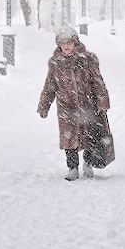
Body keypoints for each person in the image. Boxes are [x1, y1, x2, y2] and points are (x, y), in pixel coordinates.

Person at [37, 25, 114, 181]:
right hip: (67, 107)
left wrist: (102, 102)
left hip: (88, 105)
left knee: (90, 136)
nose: (66, 46)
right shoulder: (55, 62)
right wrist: (44, 106)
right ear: (58, 44)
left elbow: (98, 82)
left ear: (75, 42)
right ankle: (72, 168)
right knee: (69, 138)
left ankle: (88, 163)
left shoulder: (88, 58)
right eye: (62, 43)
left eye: (69, 43)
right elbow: (50, 85)